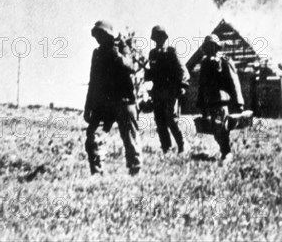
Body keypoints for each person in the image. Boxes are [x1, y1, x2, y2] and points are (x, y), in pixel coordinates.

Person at [83, 20, 141, 175]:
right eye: (97, 35)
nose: (98, 38)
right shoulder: (97, 54)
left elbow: (130, 67)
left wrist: (115, 52)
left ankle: (135, 171)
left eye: (101, 34)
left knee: (130, 140)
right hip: (104, 104)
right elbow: (93, 82)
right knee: (93, 136)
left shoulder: (122, 47)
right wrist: (88, 107)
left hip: (124, 101)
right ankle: (97, 172)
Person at [197, 34, 244, 163]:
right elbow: (202, 84)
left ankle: (226, 153)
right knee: (215, 128)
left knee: (221, 126)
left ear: (217, 47)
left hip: (222, 100)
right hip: (209, 101)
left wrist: (239, 102)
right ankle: (224, 150)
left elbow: (234, 82)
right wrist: (201, 103)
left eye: (212, 46)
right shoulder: (205, 63)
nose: (210, 49)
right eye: (207, 46)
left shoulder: (224, 61)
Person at [144, 25, 190, 154]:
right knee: (159, 121)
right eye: (156, 38)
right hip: (158, 92)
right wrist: (147, 72)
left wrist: (182, 86)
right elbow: (150, 75)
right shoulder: (152, 54)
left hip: (170, 92)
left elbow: (183, 71)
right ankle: (166, 148)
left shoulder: (171, 52)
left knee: (171, 119)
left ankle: (182, 145)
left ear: (165, 38)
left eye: (160, 37)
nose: (158, 40)